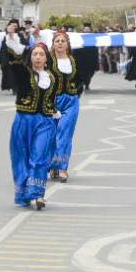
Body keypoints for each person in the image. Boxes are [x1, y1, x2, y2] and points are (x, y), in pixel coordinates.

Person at [11, 42, 59, 208]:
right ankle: (24, 193)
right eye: (35, 54)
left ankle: (38, 194)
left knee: (40, 157)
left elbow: (51, 99)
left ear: (46, 59)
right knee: (21, 158)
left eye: (41, 54)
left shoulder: (52, 77)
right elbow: (13, 56)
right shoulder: (23, 73)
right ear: (30, 57)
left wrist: (54, 111)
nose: (38, 57)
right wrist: (12, 36)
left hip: (45, 121)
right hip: (23, 120)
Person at [49, 30, 81, 182]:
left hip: (71, 102)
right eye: (57, 41)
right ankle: (53, 165)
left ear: (68, 44)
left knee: (65, 134)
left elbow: (80, 78)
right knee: (51, 136)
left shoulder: (73, 60)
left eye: (63, 41)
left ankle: (63, 168)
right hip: (52, 101)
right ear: (53, 45)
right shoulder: (48, 61)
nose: (60, 43)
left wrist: (76, 91)